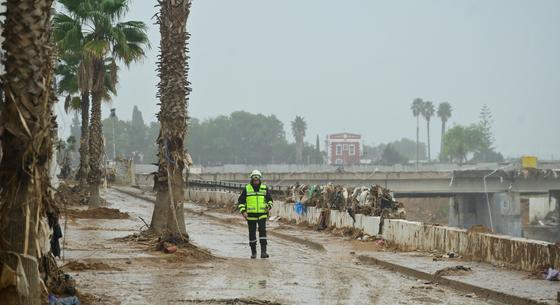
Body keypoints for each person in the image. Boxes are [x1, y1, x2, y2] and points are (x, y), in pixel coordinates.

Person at [238, 170, 273, 259]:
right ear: (252, 179)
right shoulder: (247, 188)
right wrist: (243, 212)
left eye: (257, 179)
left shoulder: (264, 188)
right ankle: (254, 253)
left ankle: (263, 252)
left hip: (262, 214)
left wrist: (269, 206)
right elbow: (241, 201)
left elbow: (270, 200)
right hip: (251, 216)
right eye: (254, 179)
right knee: (252, 234)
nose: (256, 181)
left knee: (262, 232)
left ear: (260, 179)